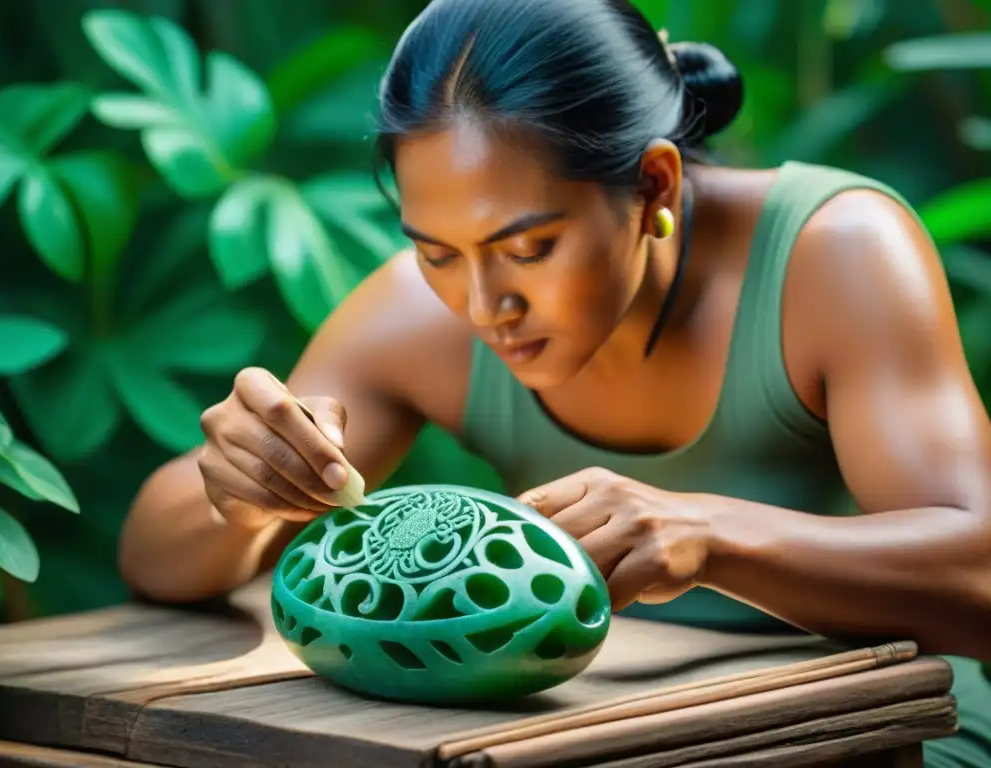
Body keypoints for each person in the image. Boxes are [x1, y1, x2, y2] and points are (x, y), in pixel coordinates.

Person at [118, 0, 991, 764]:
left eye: (529, 248)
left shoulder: (834, 255)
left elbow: (980, 579)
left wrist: (713, 535)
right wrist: (242, 493)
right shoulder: (419, 316)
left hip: (888, 732)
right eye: (435, 252)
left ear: (653, 183)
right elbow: (155, 559)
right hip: (593, 726)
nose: (484, 302)